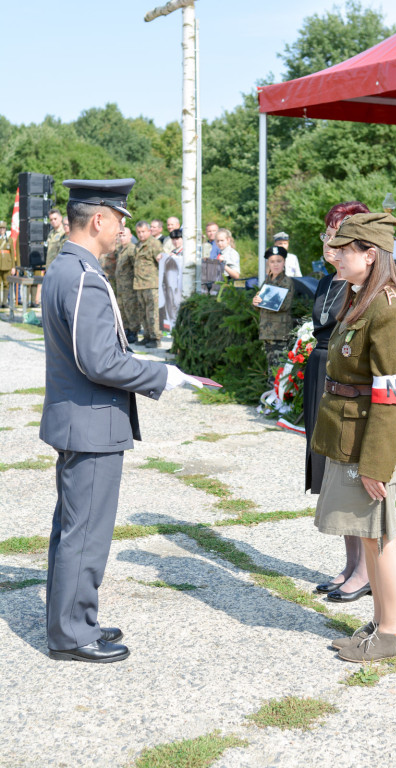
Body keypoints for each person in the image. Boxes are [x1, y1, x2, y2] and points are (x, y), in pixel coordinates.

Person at [40, 177, 202, 663]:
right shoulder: (84, 276)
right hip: (91, 423)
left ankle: (73, 619)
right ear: (98, 220)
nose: (121, 233)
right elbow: (100, 361)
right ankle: (71, 634)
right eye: (119, 222)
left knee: (73, 529)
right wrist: (161, 375)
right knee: (85, 533)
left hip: (77, 420)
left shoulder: (65, 267)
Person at [311, 212, 396, 662]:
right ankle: (379, 623)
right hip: (348, 435)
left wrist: (377, 462)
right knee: (368, 537)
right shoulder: (361, 298)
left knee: (381, 536)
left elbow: (392, 395)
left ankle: (390, 633)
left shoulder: (388, 308)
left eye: (344, 249)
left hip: (368, 441)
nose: (334, 255)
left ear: (370, 255)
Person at [304, 202, 371, 604]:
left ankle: (364, 570)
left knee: (349, 471)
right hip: (321, 371)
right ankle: (349, 564)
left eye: (340, 231)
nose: (332, 239)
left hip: (343, 376)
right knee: (330, 471)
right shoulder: (332, 280)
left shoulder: (359, 283)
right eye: (329, 230)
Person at [253, 245, 294, 386]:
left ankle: (278, 402)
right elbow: (261, 305)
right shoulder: (267, 281)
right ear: (268, 263)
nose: (275, 264)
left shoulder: (286, 282)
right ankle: (272, 400)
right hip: (267, 332)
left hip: (279, 333)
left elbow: (283, 305)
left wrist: (262, 300)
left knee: (279, 370)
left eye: (279, 261)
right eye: (272, 261)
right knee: (271, 367)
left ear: (284, 262)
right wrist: (256, 302)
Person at [134, 220, 162, 348]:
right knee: (143, 313)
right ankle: (147, 336)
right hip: (139, 284)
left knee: (153, 313)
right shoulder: (138, 245)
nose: (141, 235)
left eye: (143, 232)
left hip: (151, 284)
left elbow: (161, 261)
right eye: (138, 232)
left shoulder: (154, 244)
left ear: (149, 231)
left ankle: (155, 338)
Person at [115, 226, 141, 344]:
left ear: (130, 236)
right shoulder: (121, 249)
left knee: (131, 309)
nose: (122, 238)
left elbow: (136, 266)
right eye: (120, 235)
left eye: (124, 235)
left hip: (129, 286)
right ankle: (125, 330)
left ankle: (133, 332)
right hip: (121, 286)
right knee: (122, 309)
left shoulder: (132, 249)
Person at [0, 220, 16, 308]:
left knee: (6, 284)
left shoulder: (9, 239)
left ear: (5, 229)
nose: (1, 230)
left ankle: (4, 302)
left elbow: (12, 254)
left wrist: (13, 267)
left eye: (3, 228)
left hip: (7, 264)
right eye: (0, 228)